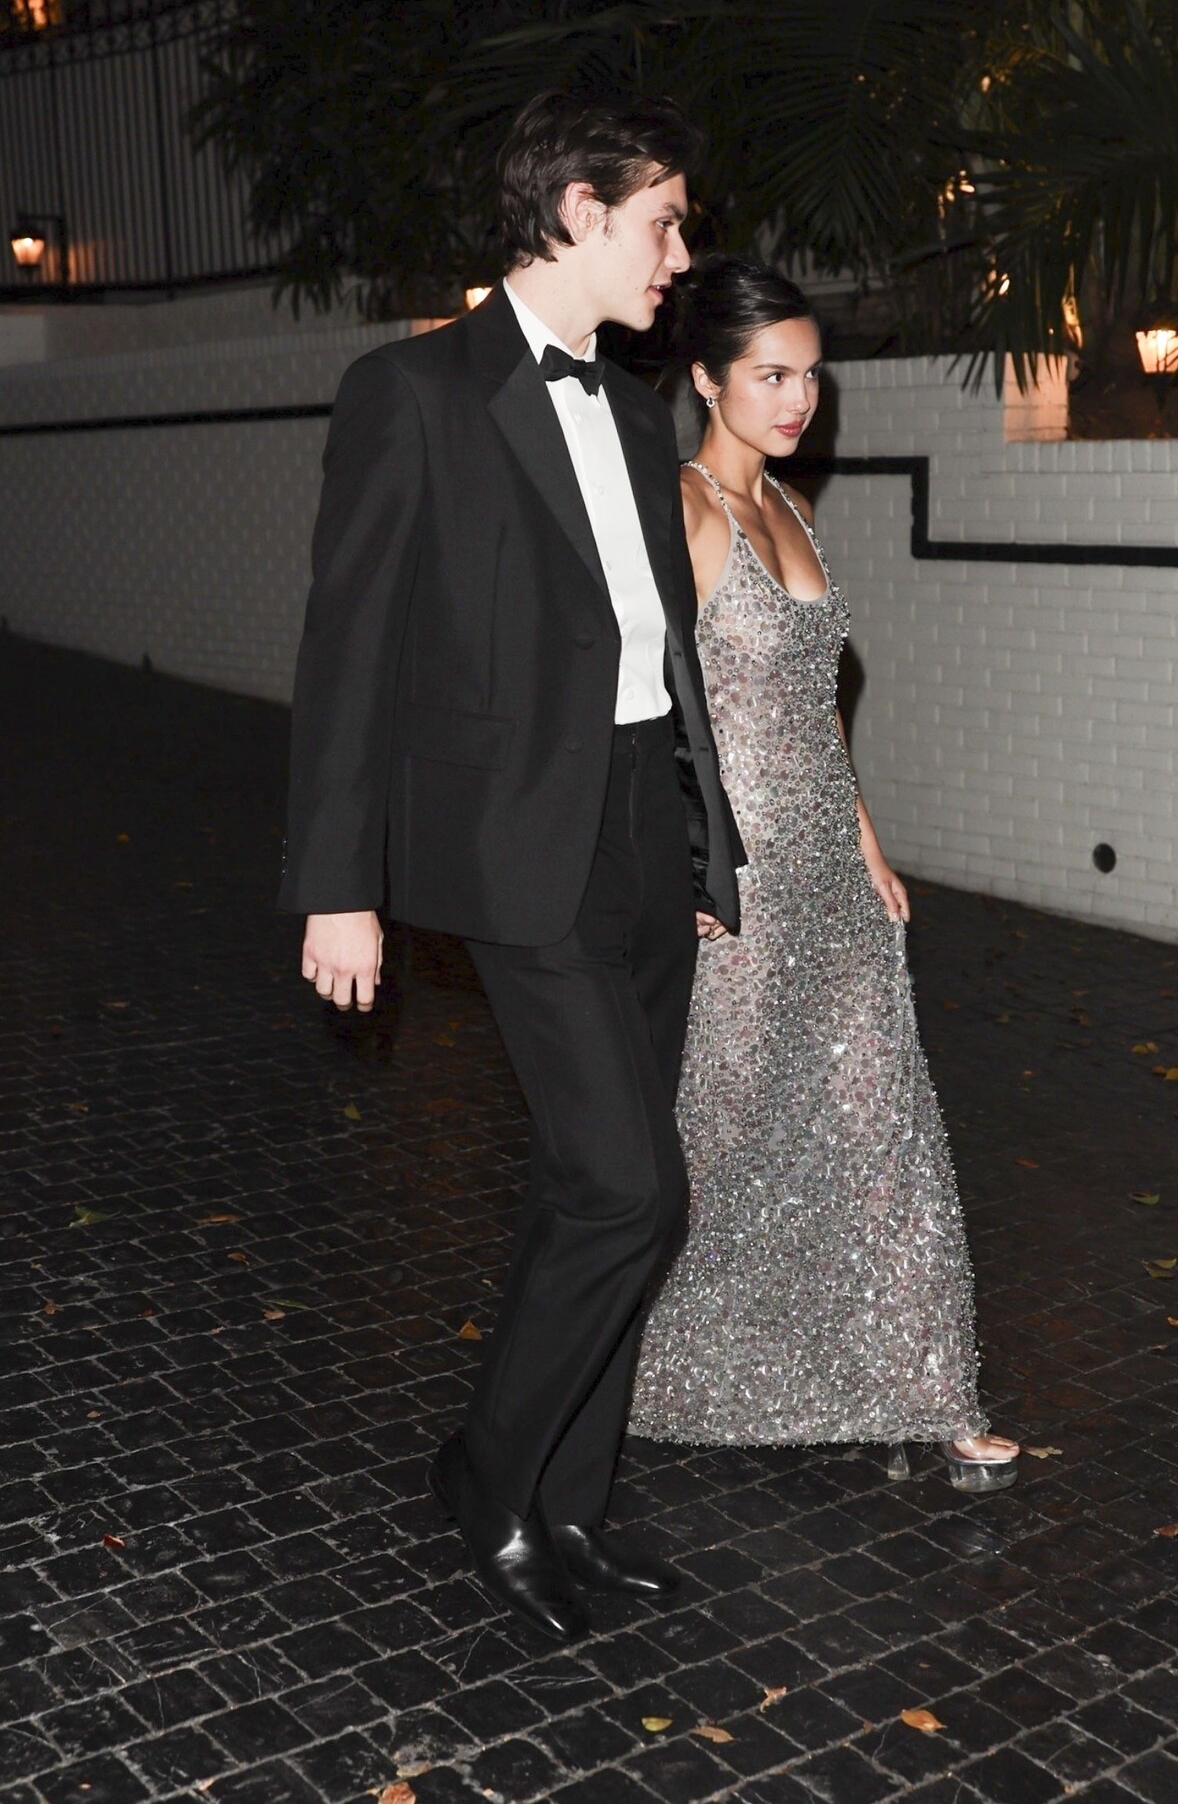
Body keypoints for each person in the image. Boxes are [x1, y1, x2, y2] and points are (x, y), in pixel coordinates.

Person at [279, 92, 746, 1642]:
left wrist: (701, 834)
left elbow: (660, 653)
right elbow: (348, 651)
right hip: (511, 846)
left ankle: (571, 1503)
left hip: (642, 830)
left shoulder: (638, 409)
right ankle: (487, 1477)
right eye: (661, 222)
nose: (678, 255)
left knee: (589, 1184)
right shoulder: (412, 392)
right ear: (576, 211)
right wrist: (337, 884)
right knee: (630, 1191)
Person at [629, 258, 1019, 1491]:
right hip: (736, 879)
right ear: (705, 379)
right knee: (726, 1133)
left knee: (880, 1127)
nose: (798, 399)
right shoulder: (680, 510)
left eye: (809, 375)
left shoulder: (793, 507)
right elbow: (639, 713)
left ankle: (933, 1391)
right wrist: (684, 863)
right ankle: (647, 1366)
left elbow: (812, 706)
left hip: (828, 875)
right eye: (770, 376)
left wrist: (863, 840)